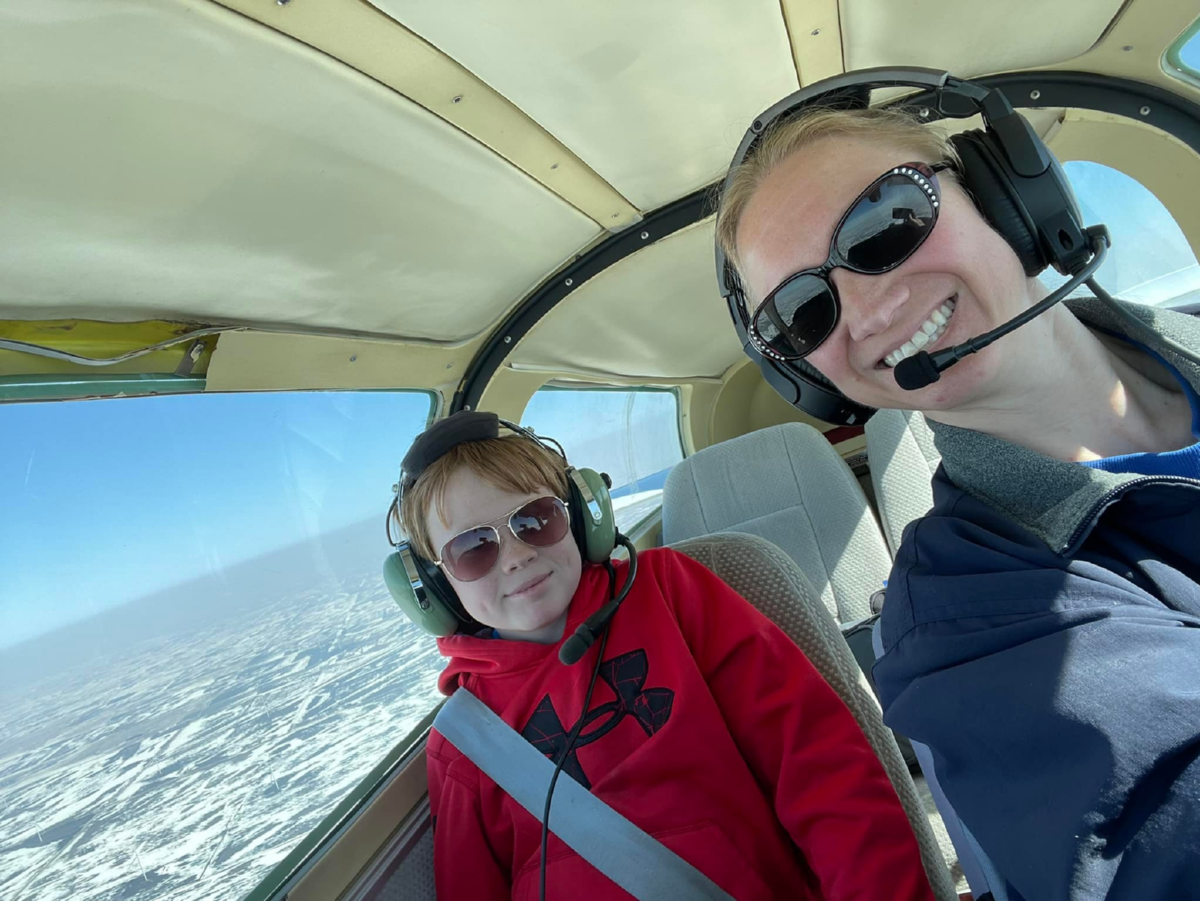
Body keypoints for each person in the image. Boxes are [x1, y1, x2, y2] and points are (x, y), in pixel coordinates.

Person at [715, 101, 1200, 900]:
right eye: (803, 312)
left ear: (1000, 191)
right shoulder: (960, 624)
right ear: (809, 376)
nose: (869, 308)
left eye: (887, 221)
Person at [395, 411, 935, 900]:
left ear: (581, 516)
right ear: (433, 587)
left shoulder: (673, 594)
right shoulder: (463, 740)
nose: (515, 556)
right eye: (473, 549)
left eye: (535, 519)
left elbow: (822, 772)